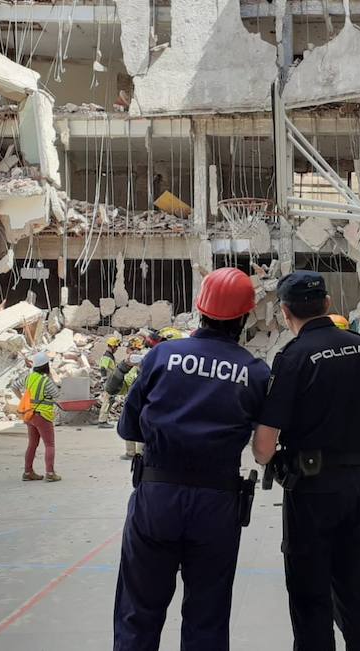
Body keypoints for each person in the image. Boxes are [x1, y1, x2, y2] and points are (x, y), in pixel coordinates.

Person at [254, 271, 360, 651]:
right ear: (328, 305)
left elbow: (265, 447)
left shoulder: (292, 358)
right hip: (355, 485)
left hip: (311, 492)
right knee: (352, 595)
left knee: (310, 600)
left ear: (284, 312)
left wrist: (262, 453)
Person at [112, 267, 272, 650]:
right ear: (245, 317)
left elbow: (127, 429)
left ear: (200, 308)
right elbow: (264, 444)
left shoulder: (163, 355)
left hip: (157, 496)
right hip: (216, 505)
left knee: (138, 615)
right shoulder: (255, 372)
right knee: (207, 621)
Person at [22, 352, 61, 482]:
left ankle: (28, 472)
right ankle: (50, 473)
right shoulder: (46, 381)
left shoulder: (28, 377)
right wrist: (51, 376)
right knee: (49, 445)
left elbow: (14, 386)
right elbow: (56, 394)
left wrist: (24, 400)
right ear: (46, 366)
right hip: (43, 415)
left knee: (32, 444)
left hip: (30, 414)